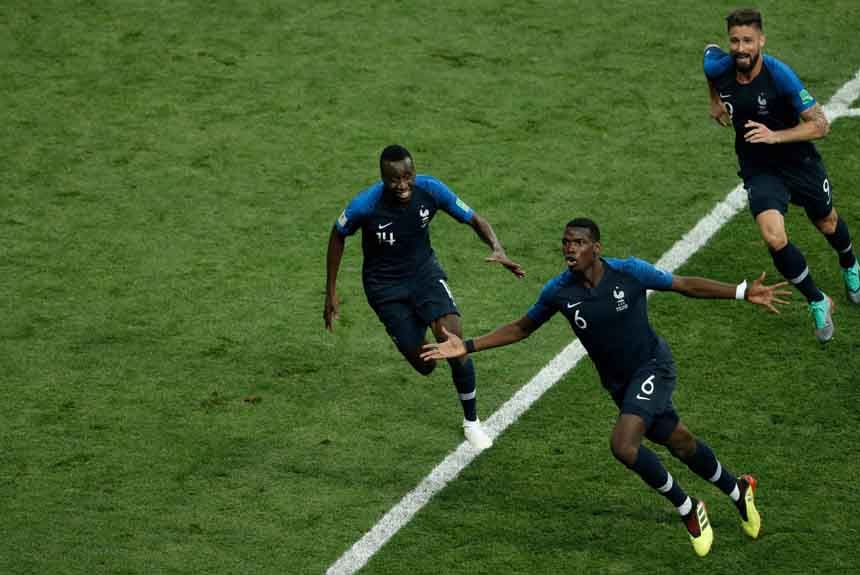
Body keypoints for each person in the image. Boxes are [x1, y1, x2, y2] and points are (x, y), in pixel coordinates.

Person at [421, 218, 792, 556]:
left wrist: (742, 292)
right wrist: (466, 346)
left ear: (596, 248)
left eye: (578, 242)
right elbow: (521, 329)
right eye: (565, 242)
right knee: (679, 441)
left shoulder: (628, 272)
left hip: (653, 368)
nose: (569, 248)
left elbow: (683, 285)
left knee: (623, 445)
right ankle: (736, 489)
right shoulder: (559, 292)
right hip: (620, 385)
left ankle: (688, 507)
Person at [324, 144, 525, 450]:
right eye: (395, 180)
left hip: (424, 275)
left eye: (408, 176)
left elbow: (473, 218)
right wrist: (331, 292)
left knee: (454, 344)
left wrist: (497, 248)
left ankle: (471, 422)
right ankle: (411, 324)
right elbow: (338, 235)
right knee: (426, 364)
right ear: (383, 178)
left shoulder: (430, 190)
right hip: (384, 288)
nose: (403, 185)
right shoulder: (364, 206)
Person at [703, 7, 859, 343]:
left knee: (827, 222)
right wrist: (714, 100)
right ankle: (818, 300)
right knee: (774, 237)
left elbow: (821, 125)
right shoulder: (720, 66)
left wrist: (775, 136)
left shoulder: (780, 76)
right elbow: (708, 60)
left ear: (761, 40)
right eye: (735, 41)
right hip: (759, 168)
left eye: (747, 40)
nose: (740, 47)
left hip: (799, 162)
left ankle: (850, 264)